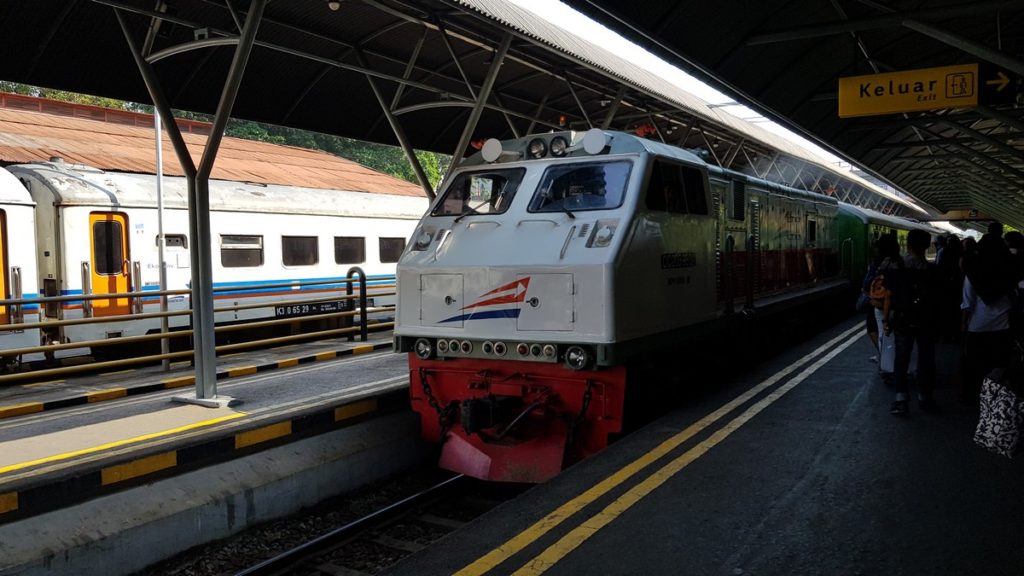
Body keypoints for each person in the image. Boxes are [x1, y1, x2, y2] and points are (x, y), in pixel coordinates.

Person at [882, 228, 938, 415]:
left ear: (909, 245)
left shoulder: (897, 267)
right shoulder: (932, 270)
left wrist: (885, 320)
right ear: (927, 246)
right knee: (926, 359)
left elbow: (888, 296)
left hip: (903, 320)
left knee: (902, 359)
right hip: (927, 321)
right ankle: (925, 397)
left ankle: (901, 399)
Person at [960, 235, 1015, 403]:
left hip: (978, 326)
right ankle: (997, 397)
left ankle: (976, 396)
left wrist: (963, 324)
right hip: (1003, 326)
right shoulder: (1011, 269)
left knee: (976, 365)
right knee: (999, 365)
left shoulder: (973, 272)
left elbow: (967, 303)